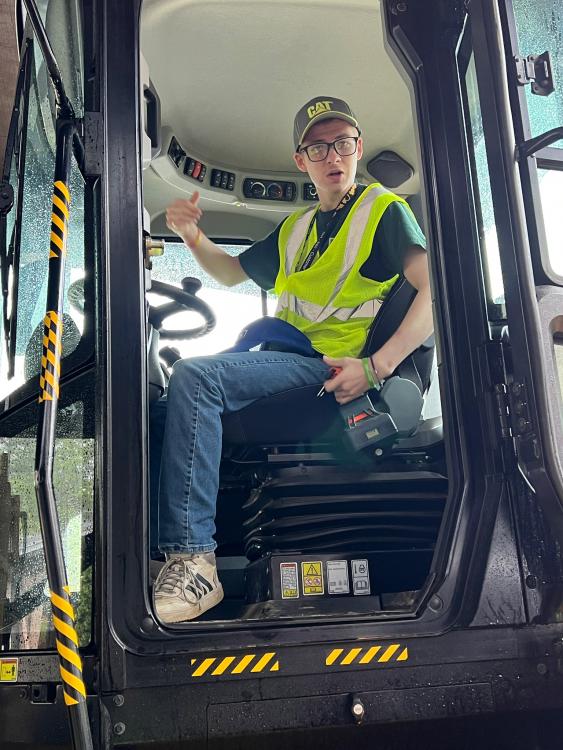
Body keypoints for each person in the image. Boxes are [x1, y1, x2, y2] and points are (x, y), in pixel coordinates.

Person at [151, 95, 433, 623]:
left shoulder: (383, 212)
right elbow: (233, 274)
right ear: (302, 160)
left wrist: (378, 366)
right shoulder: (297, 228)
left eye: (343, 144)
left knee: (196, 378)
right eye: (319, 147)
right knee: (163, 409)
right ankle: (158, 558)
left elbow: (433, 292)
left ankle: (196, 563)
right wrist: (192, 236)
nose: (334, 156)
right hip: (286, 357)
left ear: (358, 149)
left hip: (328, 366)